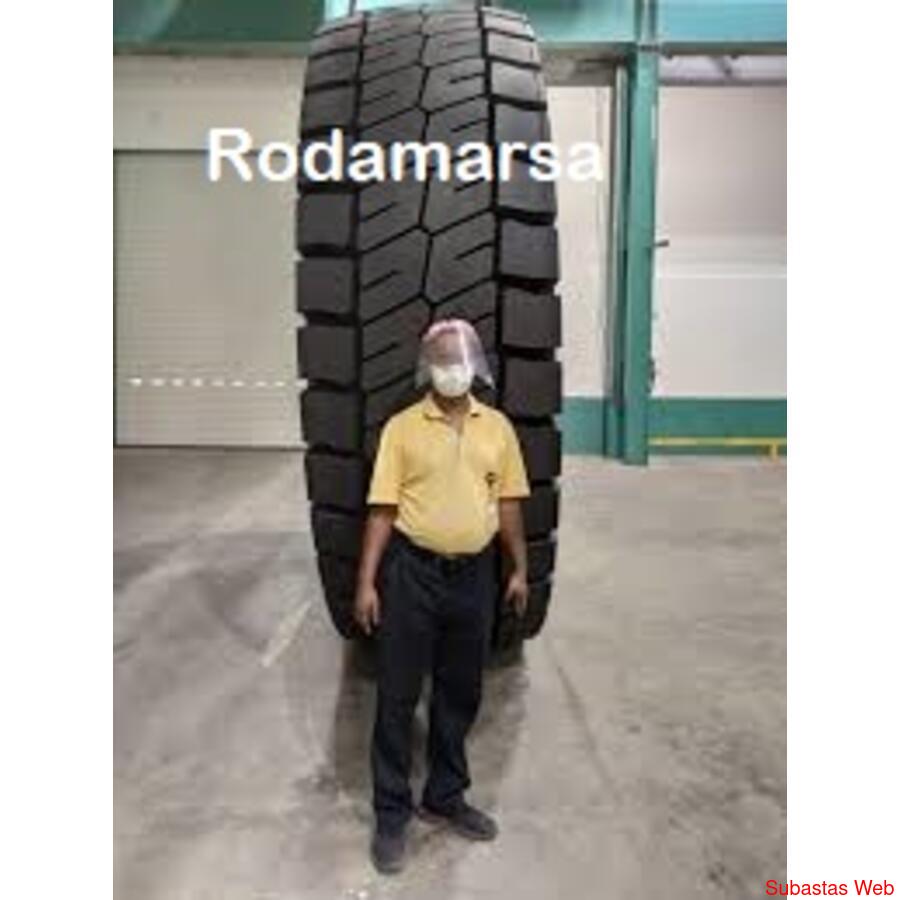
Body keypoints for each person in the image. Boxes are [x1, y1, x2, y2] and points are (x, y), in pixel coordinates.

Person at [354, 318, 531, 874]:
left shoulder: (496, 429)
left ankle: (445, 796)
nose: (451, 369)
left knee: (460, 692)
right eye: (441, 360)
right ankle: (391, 812)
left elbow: (508, 503)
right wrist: (366, 582)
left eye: (459, 359)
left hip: (475, 578)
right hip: (412, 574)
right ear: (426, 367)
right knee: (398, 694)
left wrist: (519, 569)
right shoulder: (402, 429)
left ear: (475, 365)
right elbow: (382, 509)